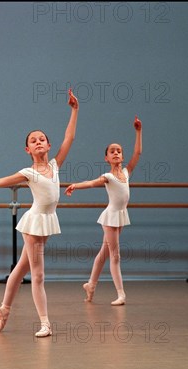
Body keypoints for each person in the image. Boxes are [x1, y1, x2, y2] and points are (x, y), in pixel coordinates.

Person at [0, 89, 79, 337]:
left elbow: (69, 138)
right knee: (38, 274)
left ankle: (3, 309)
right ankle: (45, 322)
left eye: (41, 139)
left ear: (48, 145)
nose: (38, 142)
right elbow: (1, 181)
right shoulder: (29, 172)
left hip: (46, 221)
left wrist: (74, 110)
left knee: (21, 268)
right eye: (33, 140)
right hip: (35, 223)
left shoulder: (55, 165)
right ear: (27, 149)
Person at [65, 116, 142, 306]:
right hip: (111, 217)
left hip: (120, 215)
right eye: (112, 151)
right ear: (106, 158)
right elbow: (91, 183)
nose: (116, 153)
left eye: (119, 151)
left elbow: (138, 152)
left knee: (104, 253)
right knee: (115, 256)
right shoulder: (107, 176)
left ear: (122, 157)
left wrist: (138, 132)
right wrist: (75, 185)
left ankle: (90, 285)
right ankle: (121, 293)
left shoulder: (126, 173)